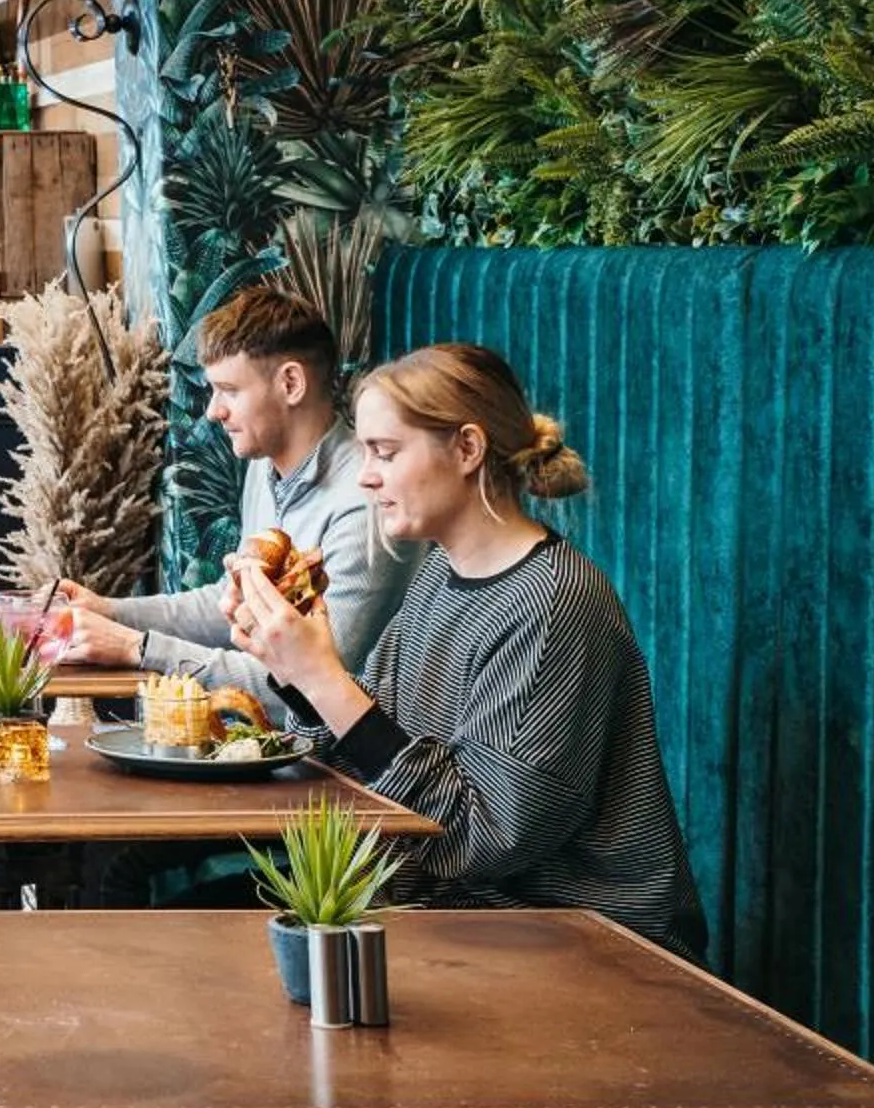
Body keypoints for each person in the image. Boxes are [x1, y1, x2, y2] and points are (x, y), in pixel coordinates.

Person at [225, 342, 709, 958]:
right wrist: (291, 664)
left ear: (467, 449)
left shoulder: (554, 602)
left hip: (577, 944)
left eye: (385, 452)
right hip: (441, 914)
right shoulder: (438, 577)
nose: (366, 476)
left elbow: (482, 838)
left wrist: (326, 681)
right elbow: (367, 767)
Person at [57, 284, 416, 696]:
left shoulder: (367, 499)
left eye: (229, 390)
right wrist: (110, 611)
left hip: (337, 756)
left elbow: (316, 690)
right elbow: (232, 600)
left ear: (291, 383)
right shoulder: (264, 467)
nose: (213, 411)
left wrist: (137, 648)